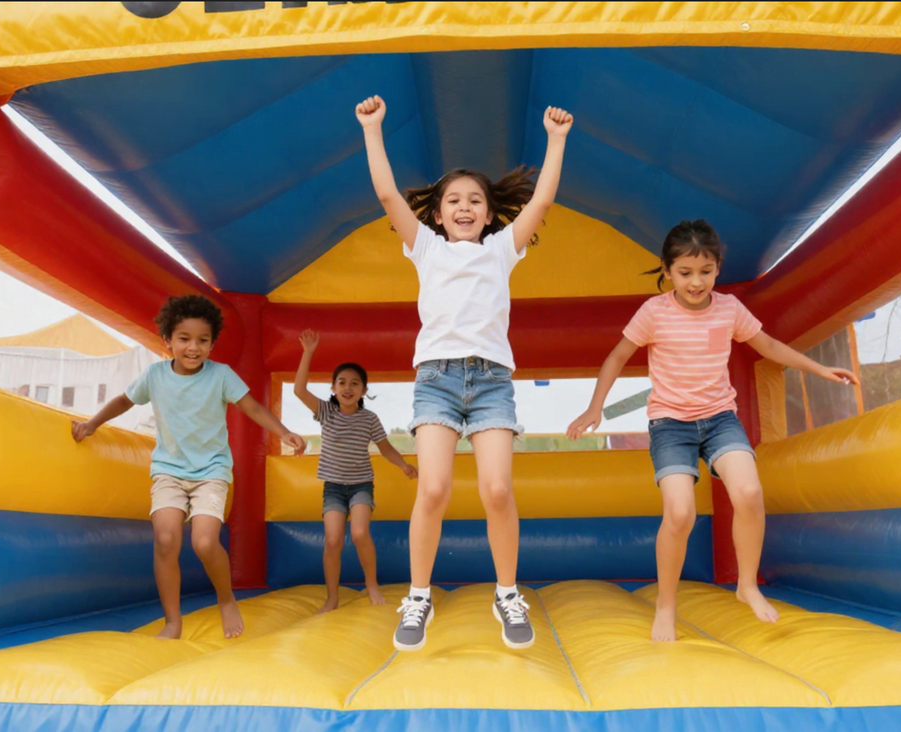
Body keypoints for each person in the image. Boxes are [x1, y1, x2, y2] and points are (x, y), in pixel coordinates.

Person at [567, 220, 858, 642]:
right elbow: (617, 356)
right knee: (681, 512)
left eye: (705, 271)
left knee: (749, 493)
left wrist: (819, 369)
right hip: (670, 424)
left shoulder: (729, 309)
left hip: (720, 419)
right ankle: (666, 607)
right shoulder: (654, 313)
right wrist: (596, 407)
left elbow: (769, 346)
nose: (696, 281)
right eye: (685, 273)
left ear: (717, 268)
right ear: (667, 271)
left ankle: (747, 585)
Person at [355, 94, 573, 651]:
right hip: (438, 380)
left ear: (489, 212)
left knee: (498, 489)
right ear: (437, 213)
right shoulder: (425, 247)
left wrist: (555, 141)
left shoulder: (502, 249)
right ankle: (418, 596)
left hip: (493, 381)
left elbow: (542, 200)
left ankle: (507, 593)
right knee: (433, 488)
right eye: (454, 199)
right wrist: (373, 129)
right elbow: (385, 193)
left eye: (476, 199)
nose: (465, 206)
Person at [72, 294, 306, 639]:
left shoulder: (220, 376)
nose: (193, 348)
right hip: (169, 471)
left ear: (212, 344)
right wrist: (92, 423)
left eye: (203, 340)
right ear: (167, 340)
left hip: (211, 472)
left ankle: (226, 599)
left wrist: (284, 432)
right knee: (166, 539)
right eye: (184, 339)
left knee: (205, 542)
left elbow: (253, 408)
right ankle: (173, 621)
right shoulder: (154, 375)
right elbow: (124, 400)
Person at [293, 328, 418, 614]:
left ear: (364, 390)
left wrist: (403, 465)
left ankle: (371, 584)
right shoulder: (326, 412)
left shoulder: (369, 418)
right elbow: (299, 390)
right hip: (334, 487)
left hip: (361, 484)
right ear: (333, 388)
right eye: (342, 382)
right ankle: (332, 597)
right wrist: (308, 352)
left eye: (355, 383)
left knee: (360, 533)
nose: (348, 387)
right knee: (333, 539)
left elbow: (385, 448)